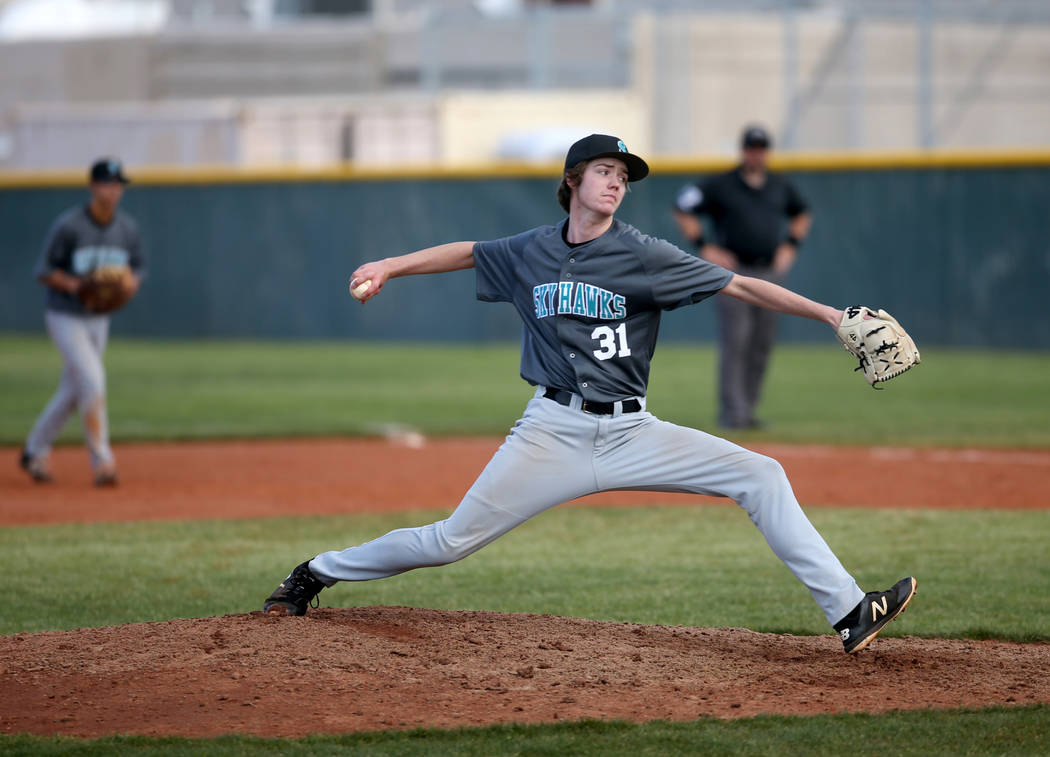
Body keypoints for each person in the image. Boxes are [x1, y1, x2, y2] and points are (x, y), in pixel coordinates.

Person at [263, 133, 915, 654]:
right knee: (448, 541)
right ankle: (317, 571)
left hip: (636, 432)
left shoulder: (645, 255)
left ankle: (851, 611)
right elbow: (468, 251)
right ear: (573, 180)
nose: (616, 182)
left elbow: (740, 284)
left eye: (623, 176)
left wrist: (832, 315)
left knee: (761, 474)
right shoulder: (531, 250)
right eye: (605, 170)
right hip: (551, 432)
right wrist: (389, 265)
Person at [672, 124, 812, 430]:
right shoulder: (722, 184)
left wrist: (790, 247)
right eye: (751, 149)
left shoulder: (779, 185)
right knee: (736, 340)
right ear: (743, 150)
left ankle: (748, 410)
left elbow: (802, 212)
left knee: (761, 344)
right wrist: (703, 246)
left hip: (768, 270)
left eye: (761, 149)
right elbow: (682, 206)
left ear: (767, 152)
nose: (756, 154)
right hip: (733, 273)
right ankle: (733, 413)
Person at [19, 158, 145, 487]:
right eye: (108, 183)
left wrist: (130, 283)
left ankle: (34, 451)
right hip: (65, 316)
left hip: (99, 320)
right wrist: (78, 285)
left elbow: (138, 268)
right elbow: (43, 271)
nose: (114, 190)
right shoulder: (70, 226)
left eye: (119, 185)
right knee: (92, 380)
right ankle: (103, 462)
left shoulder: (126, 228)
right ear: (93, 186)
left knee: (73, 392)